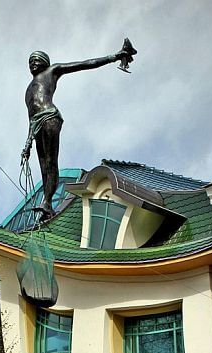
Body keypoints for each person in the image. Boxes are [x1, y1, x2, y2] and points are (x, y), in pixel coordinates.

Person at [22, 40, 136, 220]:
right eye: (30, 62)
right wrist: (27, 144)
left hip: (50, 117)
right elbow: (31, 116)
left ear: (45, 62)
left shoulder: (52, 71)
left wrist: (114, 57)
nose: (32, 64)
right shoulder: (29, 89)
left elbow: (84, 64)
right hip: (36, 124)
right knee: (44, 167)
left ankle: (47, 201)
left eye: (36, 60)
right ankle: (48, 205)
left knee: (51, 162)